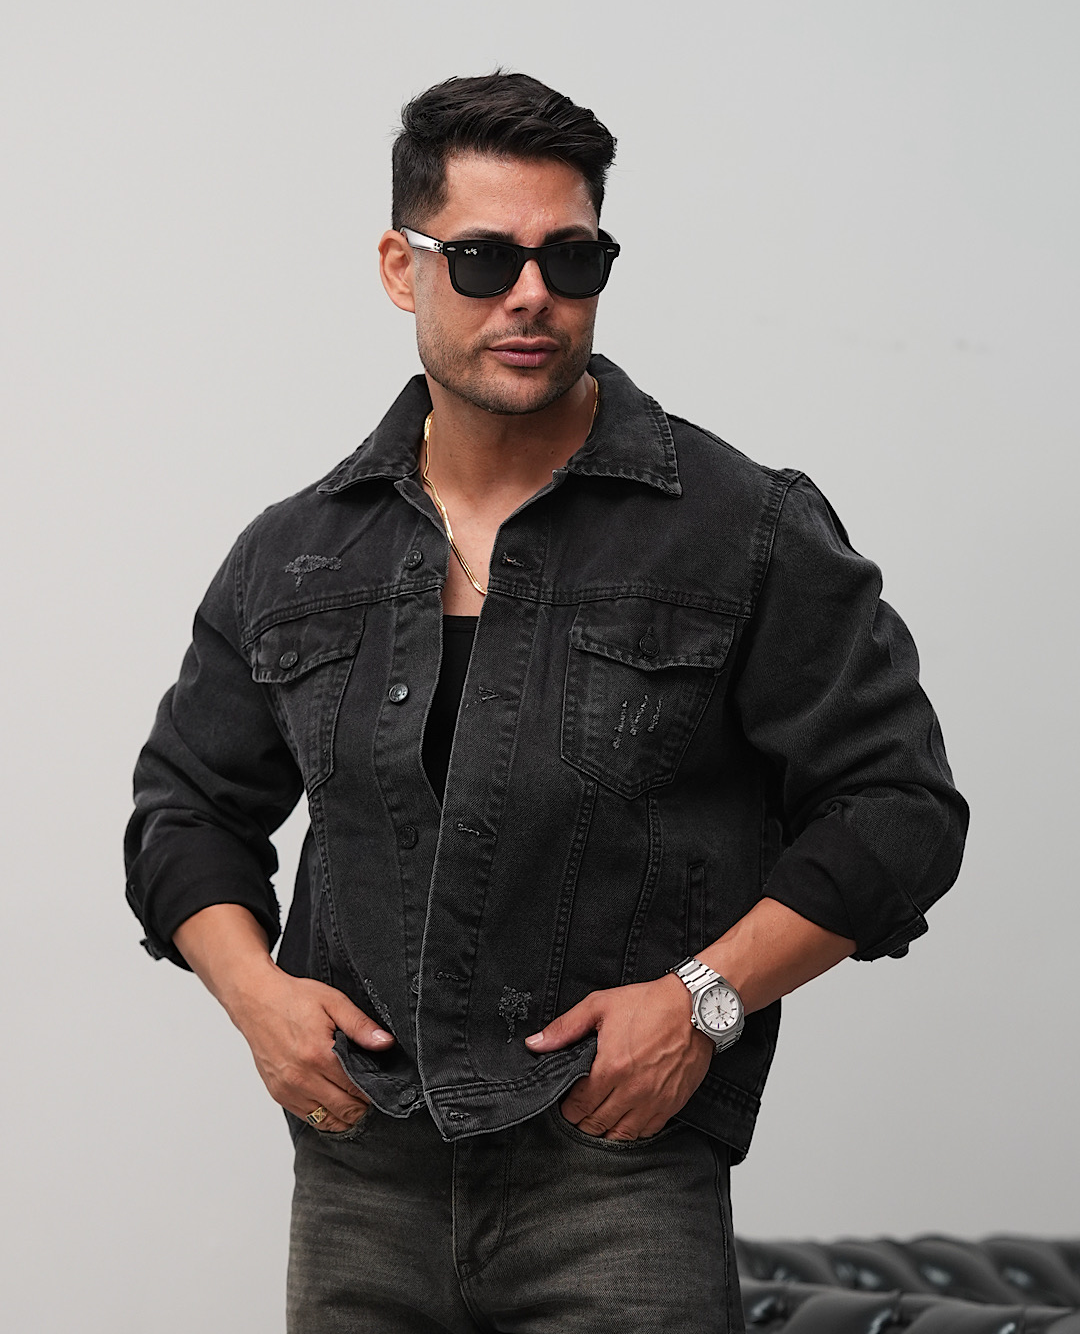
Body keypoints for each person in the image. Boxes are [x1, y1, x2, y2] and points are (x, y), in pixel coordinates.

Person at [125, 71, 967, 1332]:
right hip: (362, 1182)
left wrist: (703, 1001)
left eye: (571, 258)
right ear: (401, 268)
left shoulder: (741, 529)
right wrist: (257, 996)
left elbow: (898, 808)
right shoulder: (298, 553)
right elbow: (183, 811)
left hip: (616, 1180)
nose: (531, 295)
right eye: (482, 259)